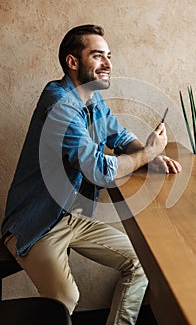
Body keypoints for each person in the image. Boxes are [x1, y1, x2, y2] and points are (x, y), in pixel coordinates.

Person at [1, 24, 181, 324]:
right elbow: (97, 170)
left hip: (71, 217)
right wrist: (147, 153)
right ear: (73, 62)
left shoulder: (91, 99)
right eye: (98, 56)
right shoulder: (59, 102)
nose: (108, 64)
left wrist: (151, 157)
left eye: (109, 56)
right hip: (36, 225)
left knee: (140, 262)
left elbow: (119, 137)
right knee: (65, 301)